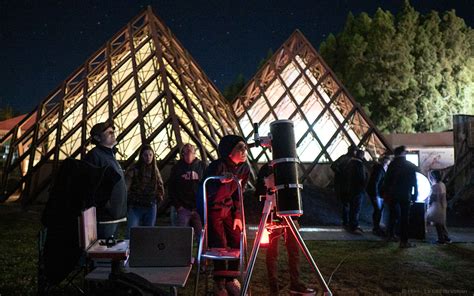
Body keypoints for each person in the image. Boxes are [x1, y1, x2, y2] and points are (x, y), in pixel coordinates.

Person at [255, 164, 315, 296]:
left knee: (294, 251)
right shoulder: (266, 169)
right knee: (272, 252)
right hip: (273, 214)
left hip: (289, 214)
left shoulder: (288, 167)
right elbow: (259, 191)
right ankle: (274, 287)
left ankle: (295, 283)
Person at [203, 135, 250, 296]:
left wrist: (237, 214)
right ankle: (219, 282)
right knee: (219, 244)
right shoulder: (217, 167)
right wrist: (219, 182)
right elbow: (206, 190)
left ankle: (231, 278)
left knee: (237, 239)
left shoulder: (244, 169)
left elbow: (239, 193)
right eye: (240, 148)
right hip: (214, 210)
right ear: (229, 151)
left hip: (229, 210)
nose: (244, 151)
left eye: (245, 147)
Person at [84, 121, 127, 239]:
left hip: (114, 216)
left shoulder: (109, 155)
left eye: (113, 131)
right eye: (109, 132)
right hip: (105, 217)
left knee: (109, 250)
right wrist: (106, 205)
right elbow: (90, 186)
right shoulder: (94, 156)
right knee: (103, 252)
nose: (113, 134)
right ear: (97, 138)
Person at [125, 144, 164, 238]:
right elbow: (126, 186)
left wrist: (158, 196)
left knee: (149, 234)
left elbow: (160, 185)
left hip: (150, 205)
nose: (148, 157)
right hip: (136, 205)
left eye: (150, 155)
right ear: (141, 156)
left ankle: (146, 251)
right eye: (145, 155)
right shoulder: (134, 169)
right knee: (131, 233)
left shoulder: (155, 170)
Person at [168, 143, 206, 240]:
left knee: (201, 237)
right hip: (183, 207)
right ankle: (183, 254)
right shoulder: (177, 168)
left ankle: (199, 254)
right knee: (182, 237)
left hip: (197, 207)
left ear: (194, 153)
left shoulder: (202, 166)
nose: (188, 154)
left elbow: (207, 185)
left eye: (191, 152)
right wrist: (178, 206)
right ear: (182, 154)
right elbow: (171, 188)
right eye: (186, 152)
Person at [382, 146, 418, 248]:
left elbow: (387, 180)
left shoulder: (392, 165)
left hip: (393, 194)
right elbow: (414, 180)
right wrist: (414, 194)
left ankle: (390, 235)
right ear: (403, 153)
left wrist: (386, 192)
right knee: (404, 218)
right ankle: (404, 241)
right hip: (405, 194)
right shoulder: (408, 164)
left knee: (392, 215)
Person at [344, 148, 369, 234]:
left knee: (352, 208)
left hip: (351, 190)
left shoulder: (350, 164)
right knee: (356, 209)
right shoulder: (359, 165)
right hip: (358, 190)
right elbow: (361, 178)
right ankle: (354, 226)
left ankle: (351, 225)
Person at [331, 145, 357, 227]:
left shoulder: (348, 159)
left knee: (347, 204)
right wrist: (342, 174)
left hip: (347, 185)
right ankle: (346, 221)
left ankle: (347, 221)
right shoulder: (345, 158)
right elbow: (334, 166)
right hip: (345, 186)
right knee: (347, 204)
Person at [366, 155, 391, 236]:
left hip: (377, 193)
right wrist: (376, 195)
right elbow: (375, 183)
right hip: (376, 194)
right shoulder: (380, 170)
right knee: (378, 210)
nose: (387, 165)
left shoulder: (378, 169)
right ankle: (376, 228)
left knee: (378, 210)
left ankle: (377, 227)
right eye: (387, 164)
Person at [427, 170, 451, 244]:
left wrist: (429, 203)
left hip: (436, 205)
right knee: (442, 222)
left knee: (438, 223)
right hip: (443, 204)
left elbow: (432, 197)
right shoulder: (442, 184)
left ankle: (441, 239)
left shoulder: (435, 186)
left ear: (433, 177)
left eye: (431, 177)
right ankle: (446, 237)